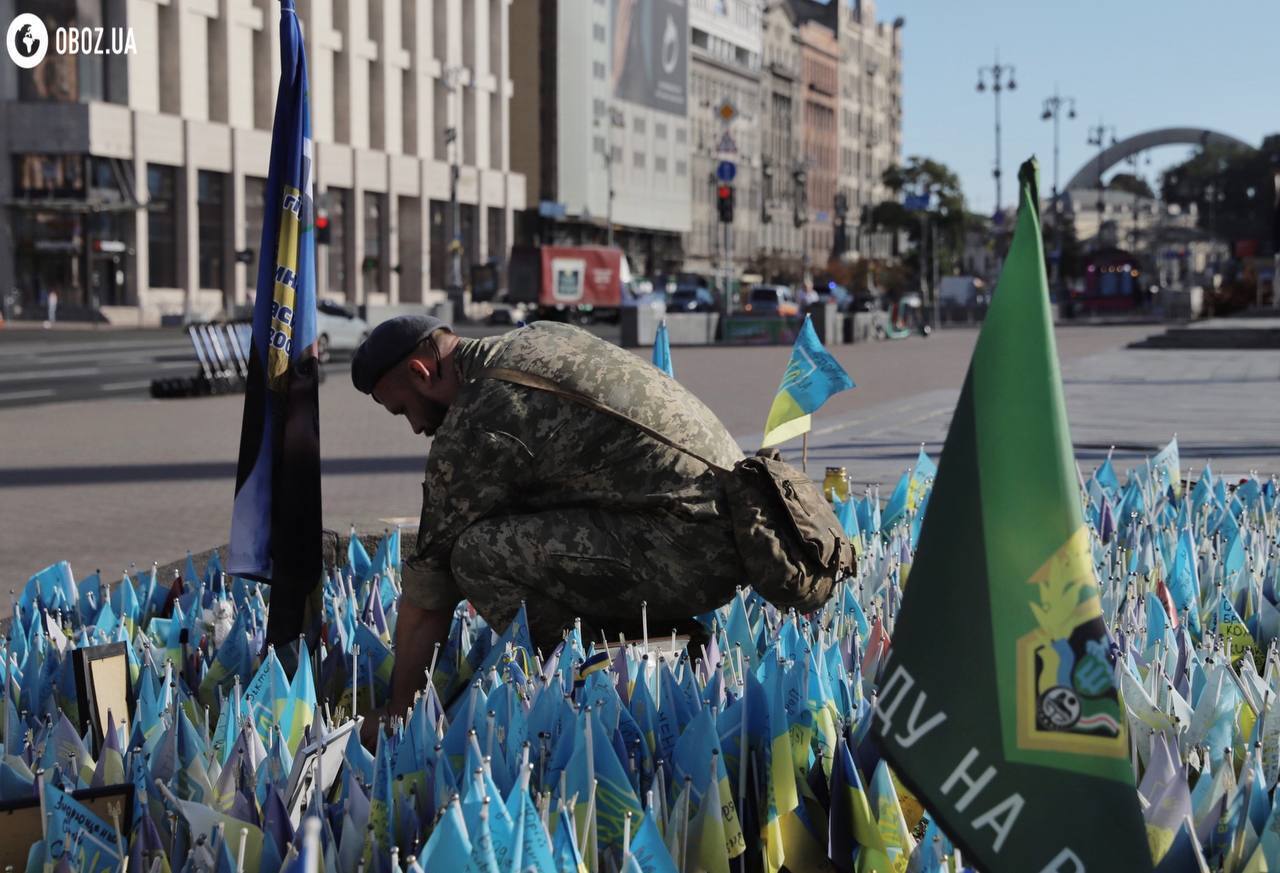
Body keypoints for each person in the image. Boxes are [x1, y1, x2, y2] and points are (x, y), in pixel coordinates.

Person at [351, 316, 746, 726]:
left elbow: (428, 595)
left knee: (475, 555)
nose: (416, 427)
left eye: (403, 410)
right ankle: (672, 646)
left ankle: (605, 680)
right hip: (722, 531)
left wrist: (399, 713)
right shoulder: (538, 336)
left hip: (693, 551)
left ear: (421, 372)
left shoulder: (480, 415)